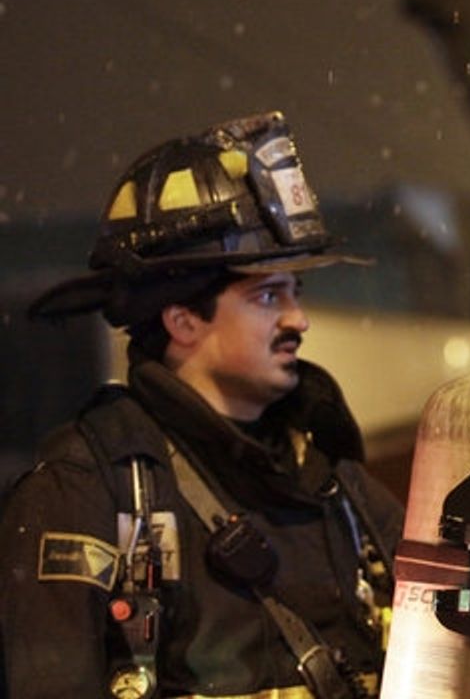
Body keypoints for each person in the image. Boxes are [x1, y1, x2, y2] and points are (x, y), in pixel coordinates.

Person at [0, 112, 404, 698]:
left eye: (296, 291)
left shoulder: (333, 483)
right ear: (182, 319)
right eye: (268, 295)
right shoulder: (88, 490)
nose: (299, 320)